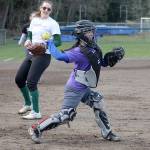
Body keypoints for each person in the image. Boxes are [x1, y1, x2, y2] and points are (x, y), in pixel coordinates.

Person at [28, 20, 124, 143]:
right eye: (89, 32)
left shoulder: (93, 47)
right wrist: (50, 43)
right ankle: (36, 128)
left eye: (92, 32)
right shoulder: (78, 51)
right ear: (82, 34)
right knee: (66, 115)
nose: (92, 34)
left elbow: (100, 63)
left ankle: (107, 133)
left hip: (84, 88)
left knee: (98, 102)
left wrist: (111, 59)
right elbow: (59, 56)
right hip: (74, 88)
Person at [15, 0, 61, 120]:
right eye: (44, 8)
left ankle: (36, 112)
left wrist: (47, 45)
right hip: (31, 54)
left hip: (43, 55)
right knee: (19, 79)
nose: (46, 10)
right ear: (40, 8)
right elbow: (30, 33)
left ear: (51, 11)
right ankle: (28, 104)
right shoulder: (35, 20)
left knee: (31, 82)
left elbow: (58, 41)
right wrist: (28, 40)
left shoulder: (53, 23)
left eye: (48, 9)